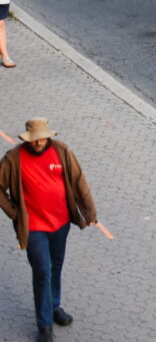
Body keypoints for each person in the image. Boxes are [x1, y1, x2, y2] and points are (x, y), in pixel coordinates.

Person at [0, 118, 98, 342]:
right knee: (42, 271)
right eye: (35, 139)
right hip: (34, 228)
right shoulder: (13, 159)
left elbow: (79, 181)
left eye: (43, 138)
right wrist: (14, 212)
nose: (39, 142)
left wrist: (90, 213)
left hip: (61, 224)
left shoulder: (61, 151)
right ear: (28, 139)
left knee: (55, 266)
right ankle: (44, 325)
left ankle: (54, 307)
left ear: (48, 136)